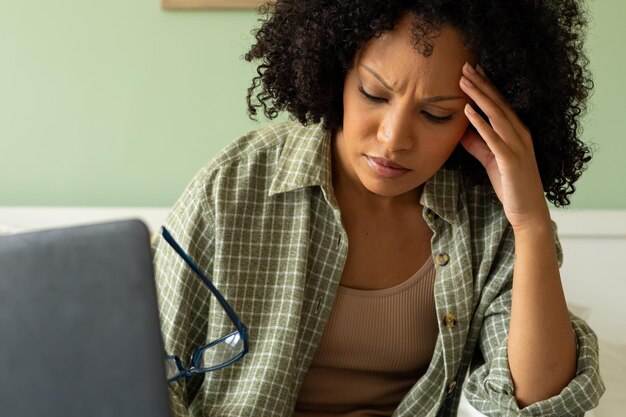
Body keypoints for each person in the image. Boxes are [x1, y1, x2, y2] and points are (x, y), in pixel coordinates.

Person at [152, 0, 605, 415]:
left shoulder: (488, 215)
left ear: (485, 118)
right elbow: (147, 376)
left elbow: (539, 404)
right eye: (374, 93)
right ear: (337, 72)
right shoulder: (232, 188)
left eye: (437, 114)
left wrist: (531, 224)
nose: (393, 139)